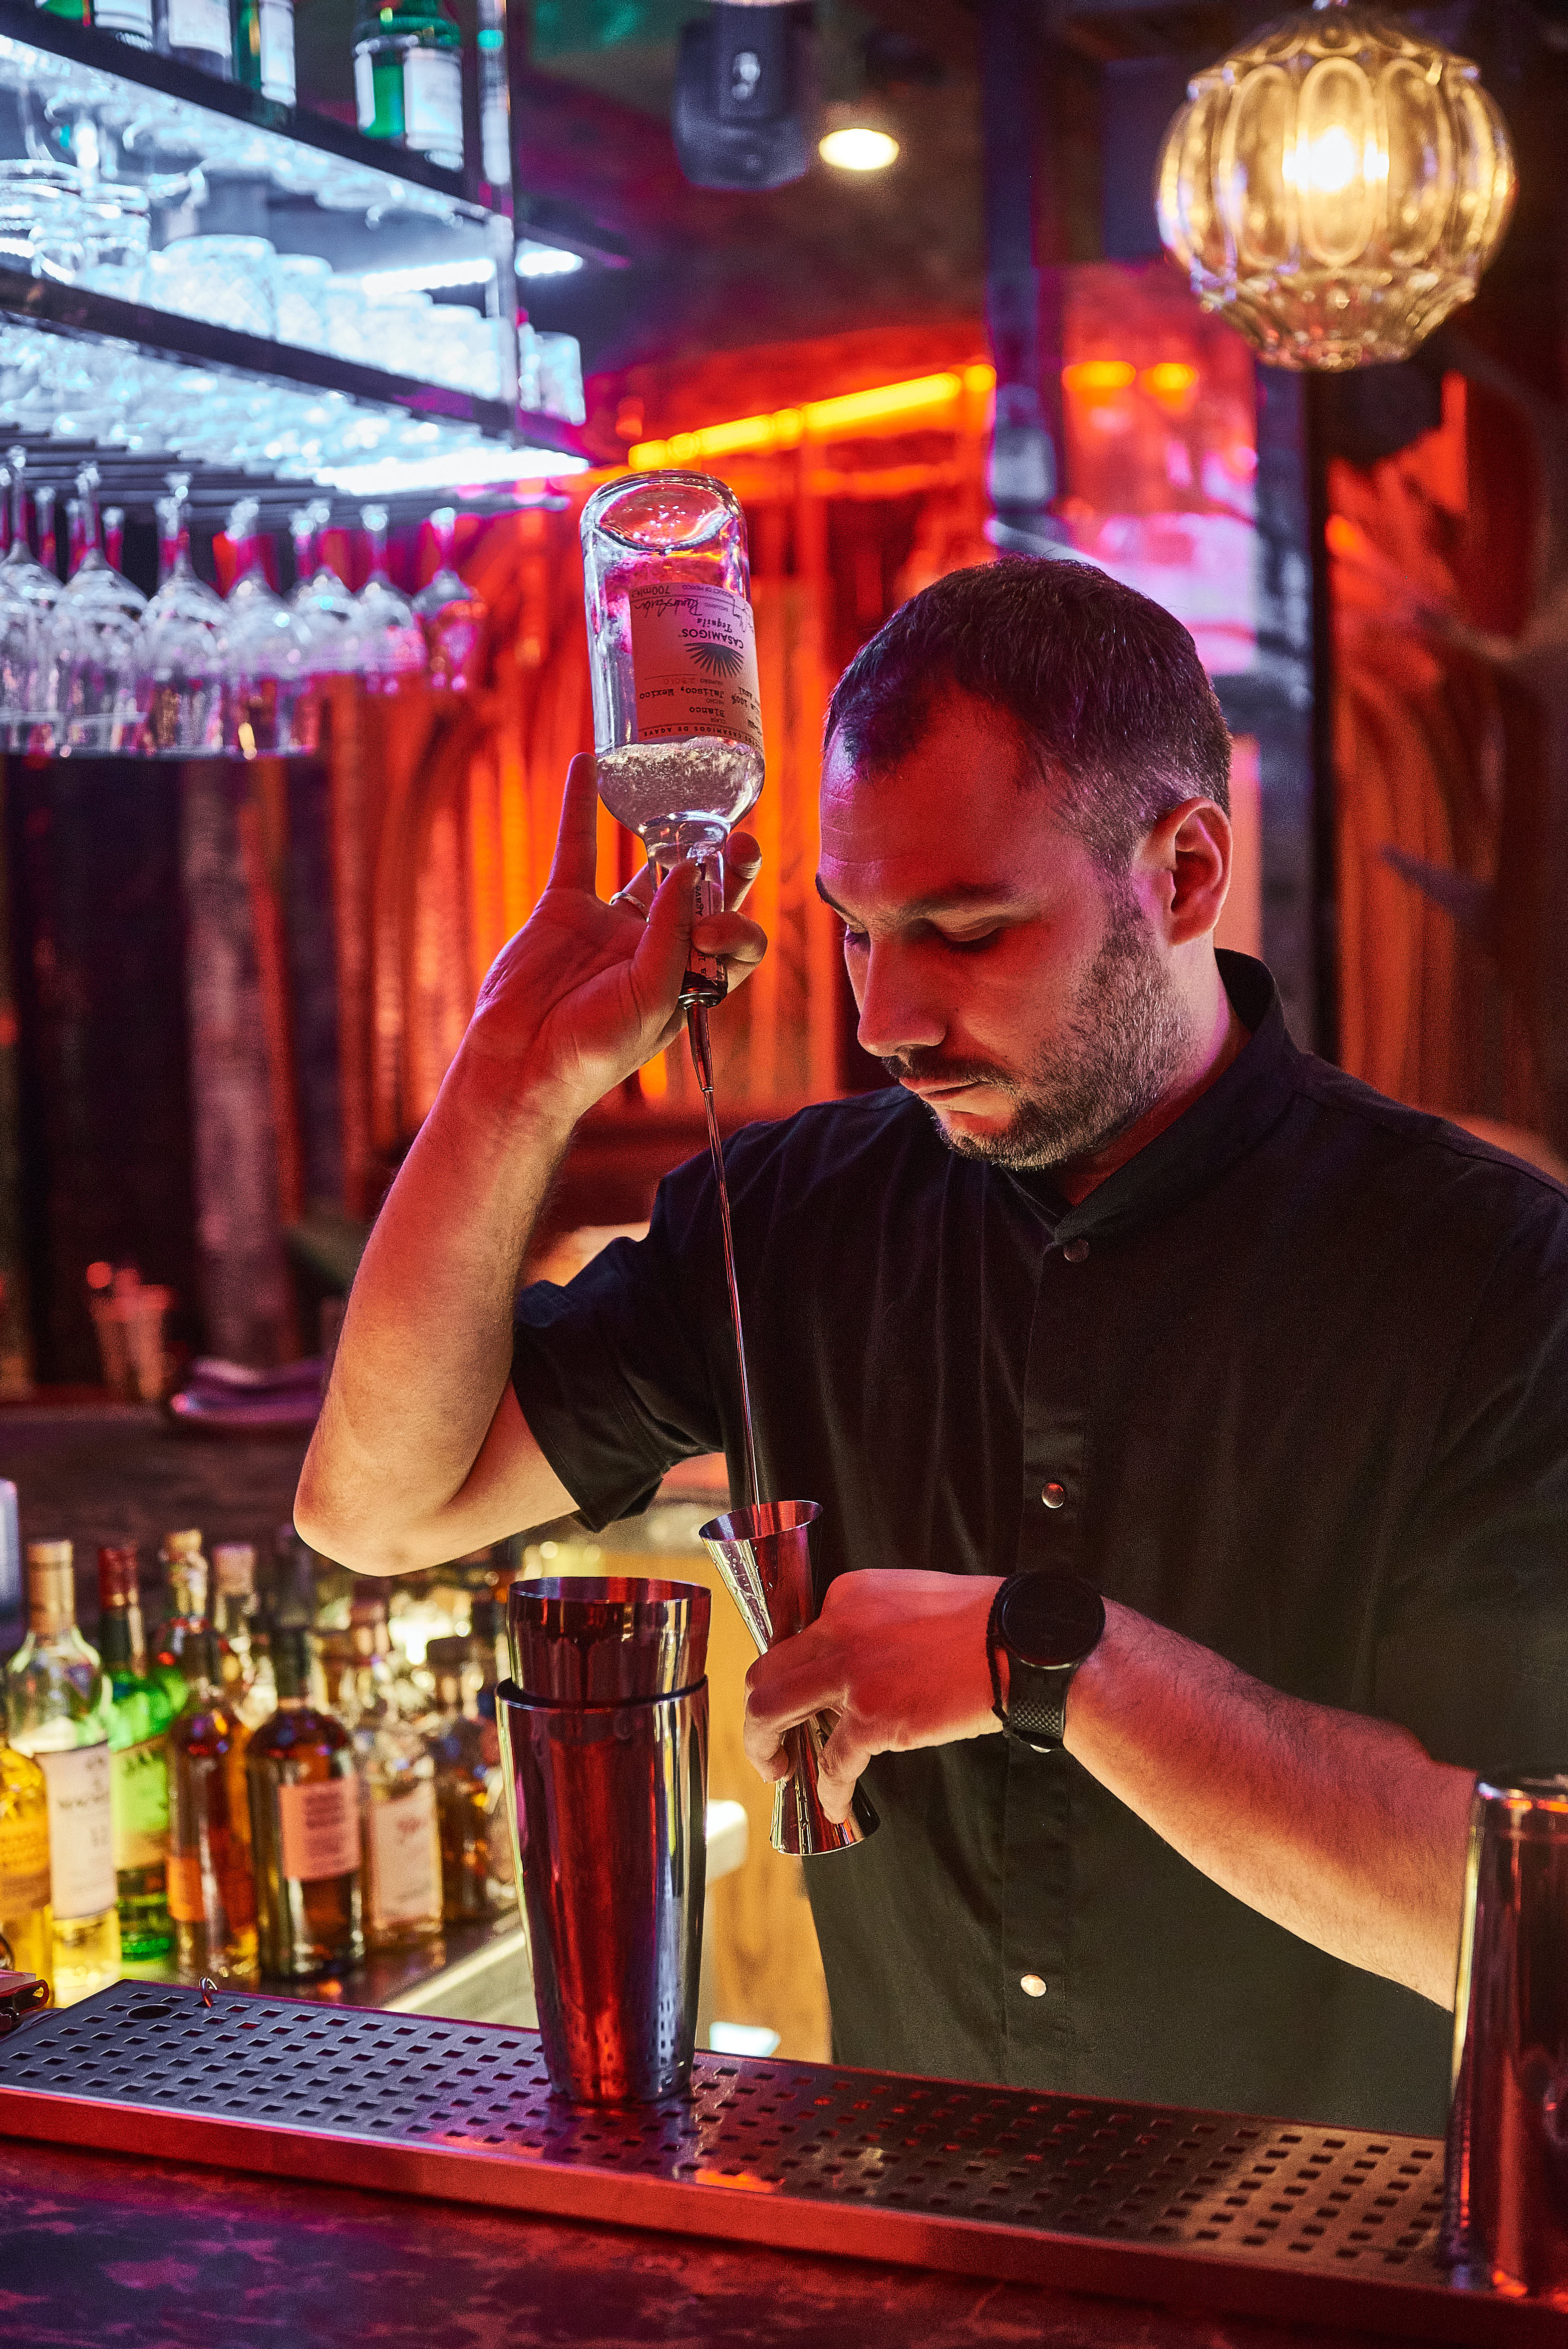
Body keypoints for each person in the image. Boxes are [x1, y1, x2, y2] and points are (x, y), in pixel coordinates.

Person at [296, 557, 1568, 2137]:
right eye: (856, 932)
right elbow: (378, 1507)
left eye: (965, 931)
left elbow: (1524, 1923)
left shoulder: (1485, 1272)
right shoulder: (790, 1220)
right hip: (913, 2226)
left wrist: (1059, 1664)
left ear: (1183, 875)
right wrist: (513, 1078)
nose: (886, 1018)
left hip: (1318, 2250)